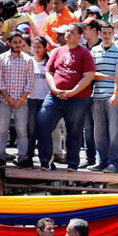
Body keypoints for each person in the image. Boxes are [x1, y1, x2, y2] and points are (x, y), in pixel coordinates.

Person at [35, 23, 96, 171]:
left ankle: (72, 163)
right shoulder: (57, 51)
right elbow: (48, 72)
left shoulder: (84, 53)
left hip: (77, 98)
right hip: (55, 96)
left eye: (72, 32)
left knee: (74, 131)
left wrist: (73, 92)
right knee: (42, 123)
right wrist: (54, 88)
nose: (68, 34)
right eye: (67, 31)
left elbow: (89, 76)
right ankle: (45, 161)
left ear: (79, 36)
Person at [88, 22, 118, 173]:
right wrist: (106, 76)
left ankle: (115, 163)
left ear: (113, 33)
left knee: (114, 131)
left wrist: (116, 93)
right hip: (97, 95)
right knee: (99, 131)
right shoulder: (94, 50)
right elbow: (91, 74)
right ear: (99, 34)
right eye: (104, 33)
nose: (106, 36)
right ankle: (102, 161)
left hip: (113, 96)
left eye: (109, 33)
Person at [0, 31, 34, 167]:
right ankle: (0, 155)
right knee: (1, 129)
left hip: (22, 101)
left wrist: (22, 99)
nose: (18, 45)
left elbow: (30, 80)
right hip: (5, 100)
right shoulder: (1, 58)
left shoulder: (28, 59)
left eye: (20, 42)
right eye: (15, 42)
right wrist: (8, 98)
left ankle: (22, 156)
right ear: (9, 43)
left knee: (22, 131)